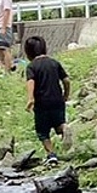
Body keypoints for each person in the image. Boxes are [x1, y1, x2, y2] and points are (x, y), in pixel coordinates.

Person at [23, 36, 71, 165]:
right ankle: (64, 128)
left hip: (41, 103)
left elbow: (31, 82)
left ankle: (51, 154)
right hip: (57, 100)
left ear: (28, 52)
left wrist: (30, 98)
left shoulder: (31, 67)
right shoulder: (54, 63)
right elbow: (66, 80)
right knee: (58, 122)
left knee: (43, 132)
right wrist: (66, 95)